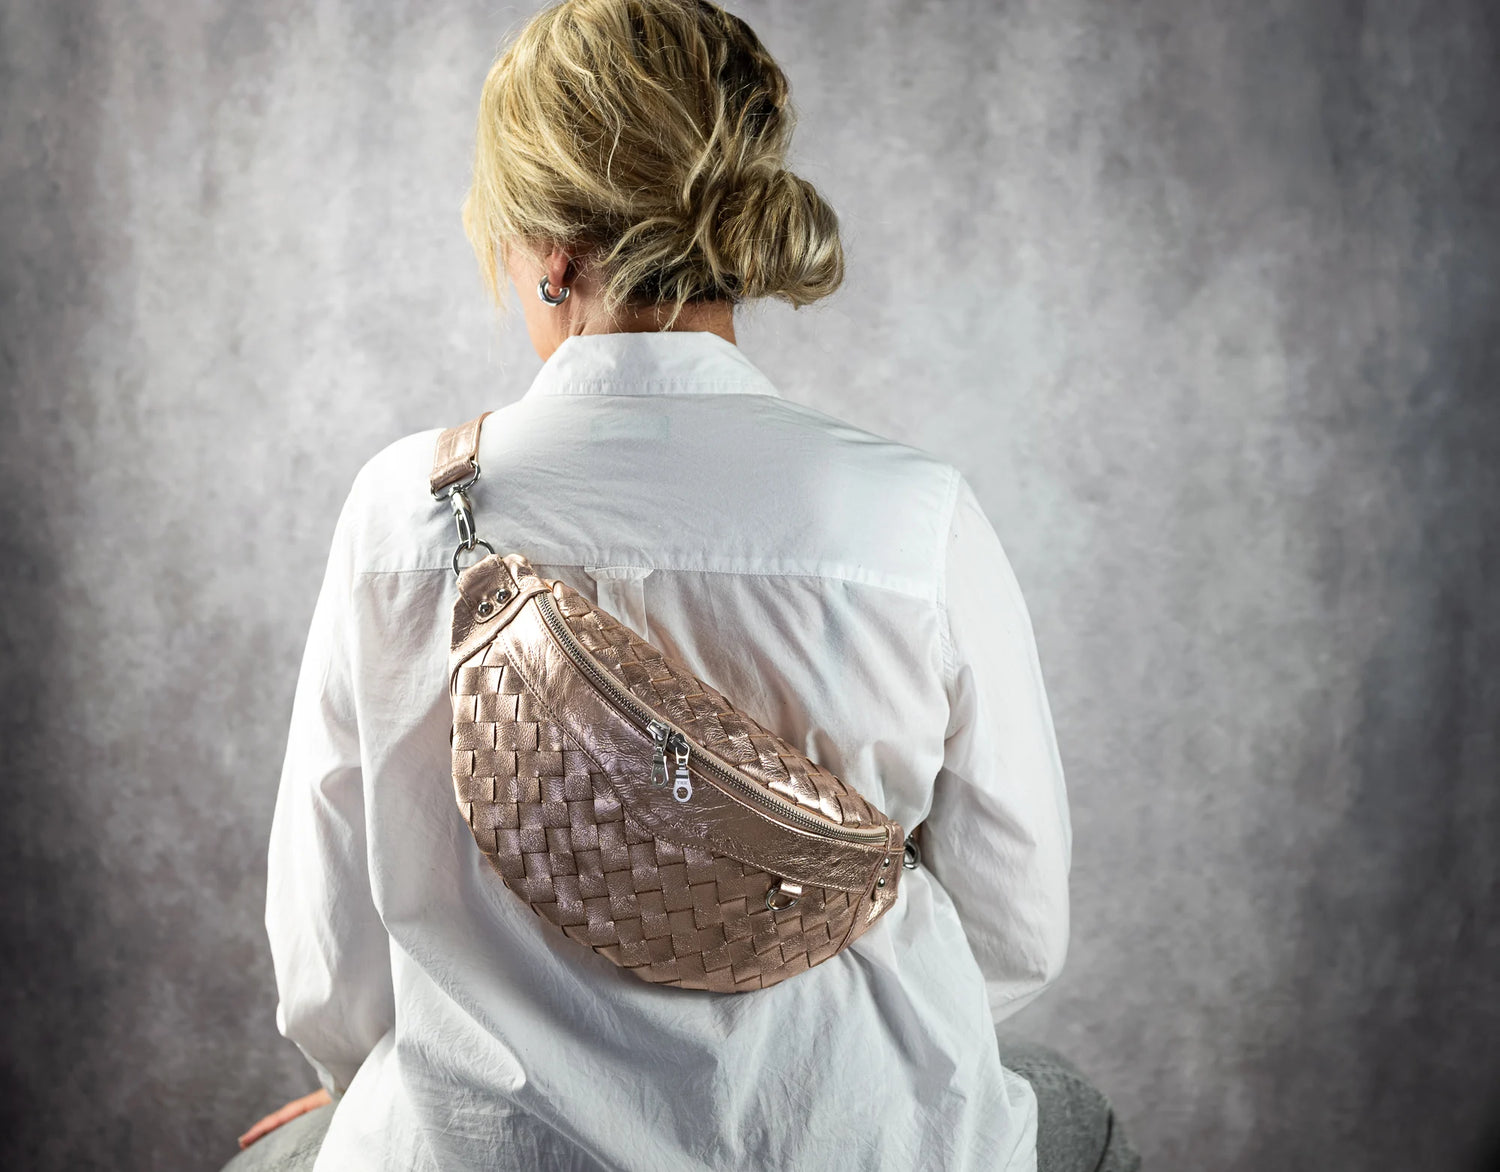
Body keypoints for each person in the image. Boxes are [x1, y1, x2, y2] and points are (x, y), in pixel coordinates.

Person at [226, 1, 1141, 1169]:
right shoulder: (914, 514)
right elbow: (1016, 926)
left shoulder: (402, 508)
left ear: (553, 253)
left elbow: (327, 946)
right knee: (1067, 1105)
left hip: (477, 1149)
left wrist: (352, 1085)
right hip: (855, 1141)